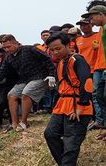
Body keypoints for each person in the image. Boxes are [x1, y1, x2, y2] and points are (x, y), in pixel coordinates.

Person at [0, 34, 56, 131]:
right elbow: (0, 74)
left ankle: (24, 122)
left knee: (26, 94)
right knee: (11, 95)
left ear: (15, 43)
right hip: (24, 79)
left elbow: (47, 59)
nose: (6, 50)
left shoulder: (29, 49)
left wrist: (51, 74)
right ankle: (14, 123)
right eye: (4, 48)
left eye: (8, 47)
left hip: (40, 76)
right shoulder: (8, 58)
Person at [44, 31, 93, 165]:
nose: (55, 52)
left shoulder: (77, 60)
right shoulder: (60, 63)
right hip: (62, 104)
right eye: (52, 50)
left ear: (68, 45)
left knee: (71, 142)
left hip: (77, 104)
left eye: (58, 48)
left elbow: (87, 83)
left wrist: (81, 107)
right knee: (50, 134)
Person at [82, 5, 106, 140]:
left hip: (103, 66)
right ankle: (102, 123)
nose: (91, 21)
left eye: (92, 18)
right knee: (98, 95)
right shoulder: (101, 29)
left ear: (101, 14)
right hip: (98, 67)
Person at [75, 18, 104, 130]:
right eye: (81, 25)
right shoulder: (78, 40)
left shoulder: (98, 36)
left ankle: (99, 119)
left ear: (91, 24)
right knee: (88, 95)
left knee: (97, 95)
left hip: (96, 69)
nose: (83, 27)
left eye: (86, 25)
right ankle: (92, 118)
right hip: (83, 71)